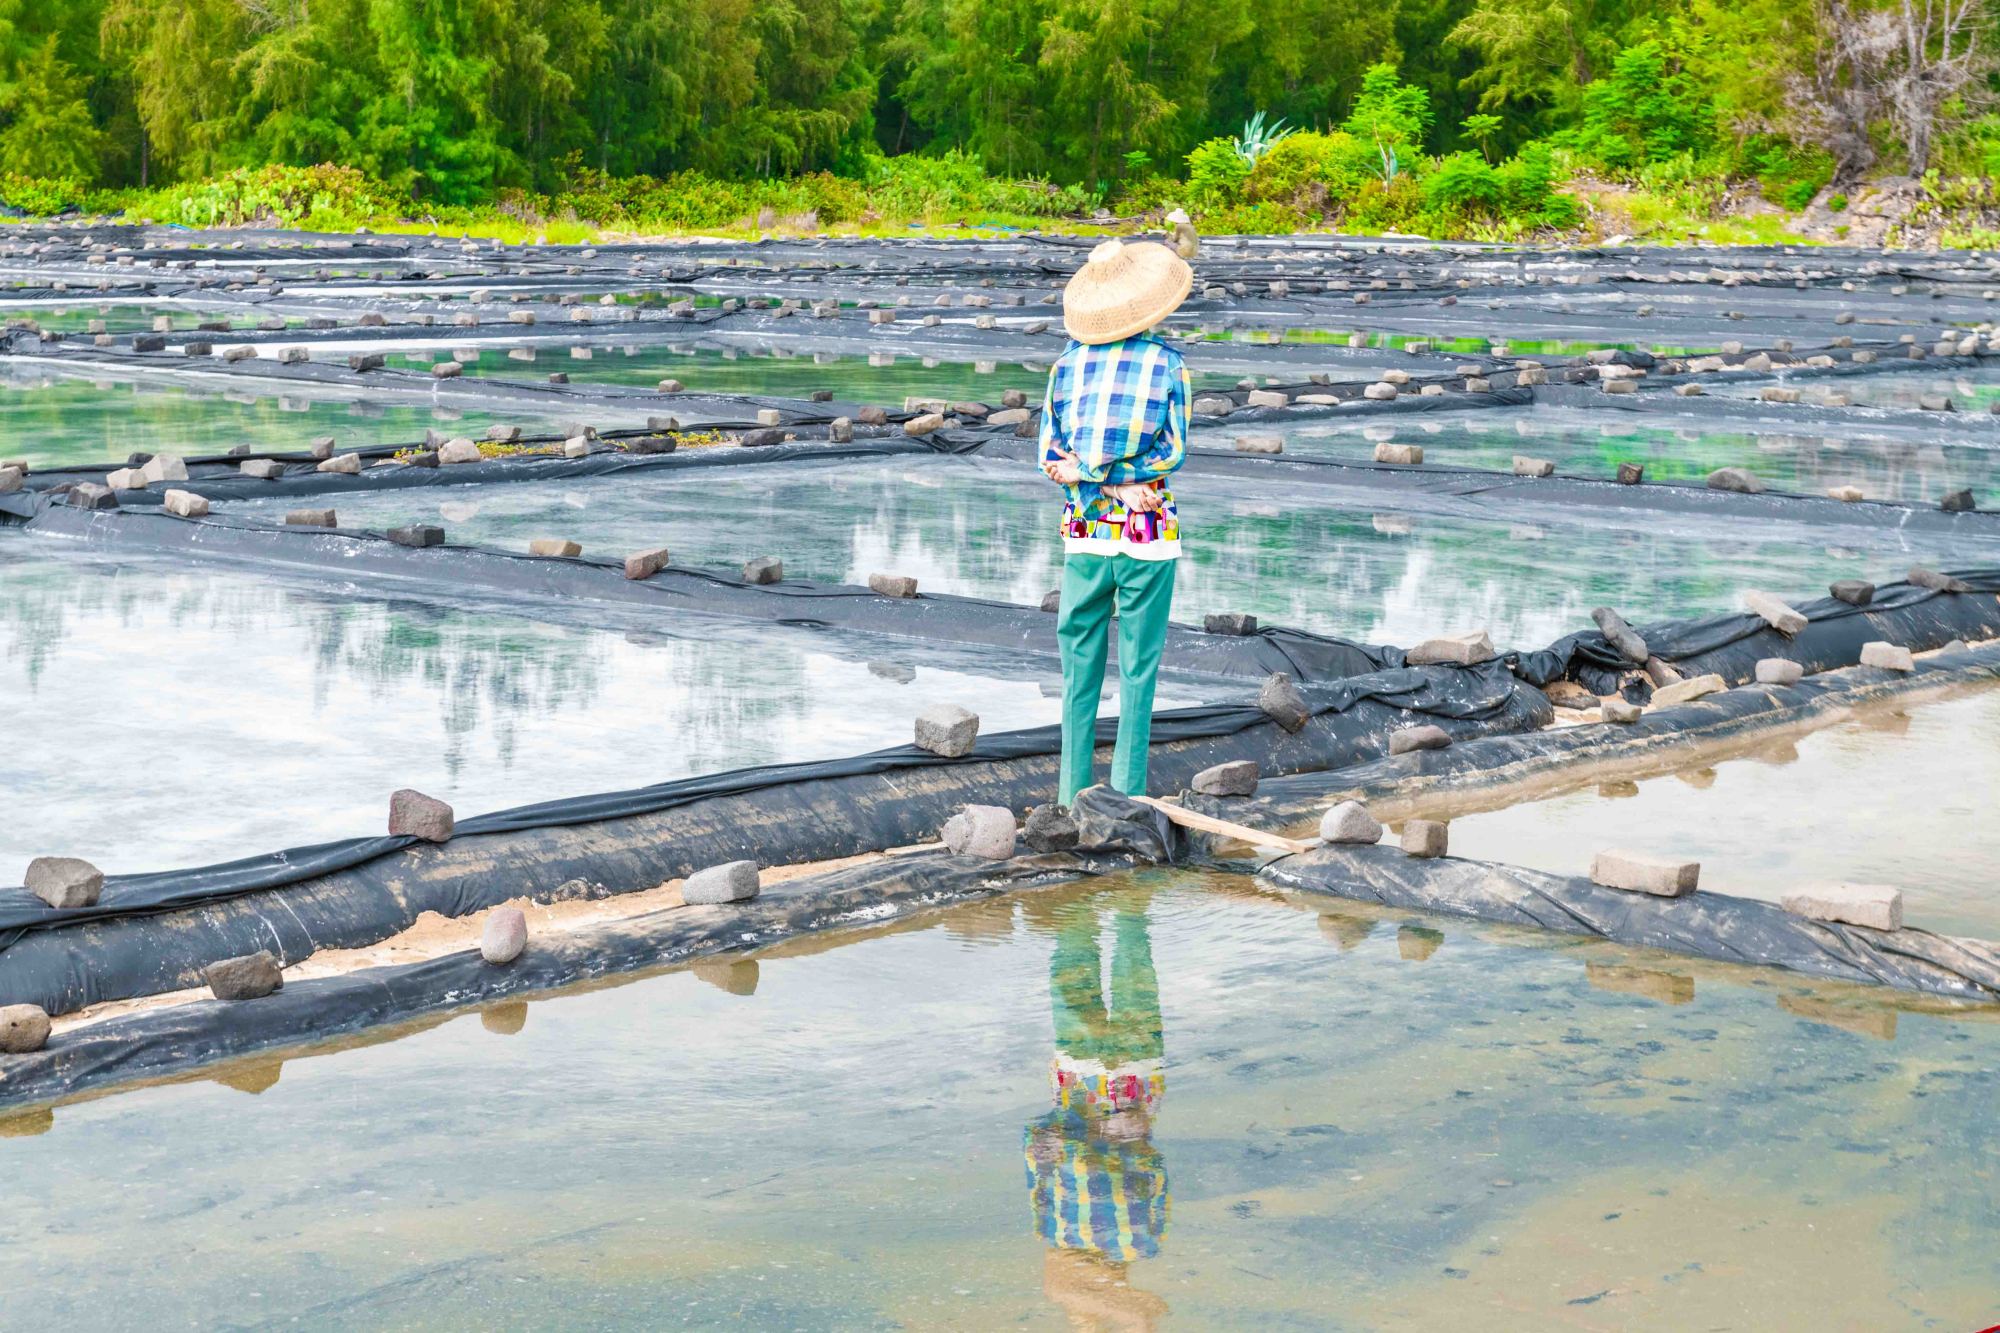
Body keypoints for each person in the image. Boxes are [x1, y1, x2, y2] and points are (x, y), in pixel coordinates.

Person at [1039, 237, 1194, 807]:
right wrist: (1124, 481)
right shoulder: (1167, 364)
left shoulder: (1065, 365)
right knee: (1139, 668)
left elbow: (1049, 459)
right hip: (1147, 530)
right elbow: (1173, 452)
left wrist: (1096, 480)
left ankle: (1070, 797)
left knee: (1078, 669)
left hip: (1084, 530)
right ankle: (1126, 798)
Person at [1023, 892, 1170, 1329]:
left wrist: (1044, 1140)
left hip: (1078, 1082)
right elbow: (1156, 1171)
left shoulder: (1055, 1244)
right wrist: (1138, 1132)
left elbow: (1038, 1167)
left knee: (1072, 972)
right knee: (1132, 960)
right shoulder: (1141, 1241)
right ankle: (1125, 895)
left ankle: (1077, 904)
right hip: (1133, 1085)